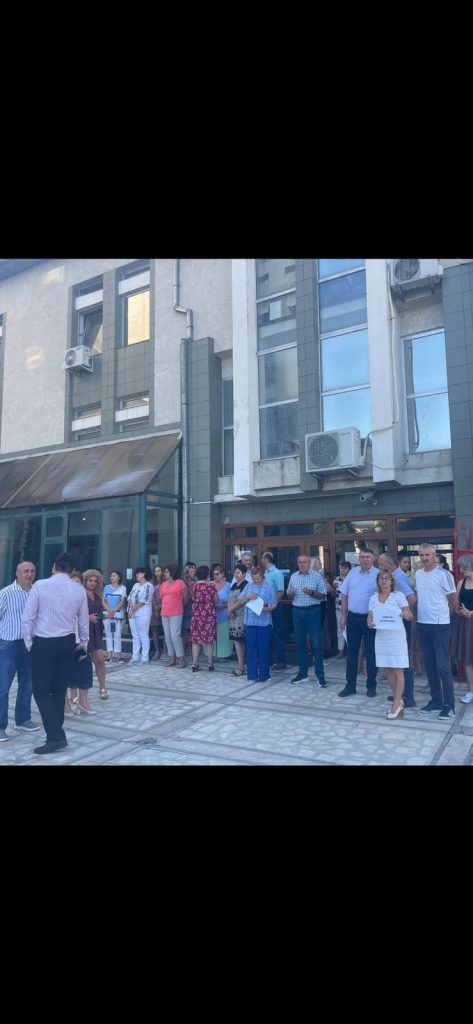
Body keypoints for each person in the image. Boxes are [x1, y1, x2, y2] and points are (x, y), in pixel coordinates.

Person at [22, 552, 89, 755]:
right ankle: (55, 735)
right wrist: (83, 643)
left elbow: (28, 617)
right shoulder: (78, 589)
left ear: (54, 566)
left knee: (41, 691)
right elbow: (83, 620)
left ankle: (56, 737)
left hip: (44, 643)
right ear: (72, 570)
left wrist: (28, 643)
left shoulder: (40, 585)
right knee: (59, 691)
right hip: (67, 642)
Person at [416, 543, 458, 720]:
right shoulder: (418, 574)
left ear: (434, 555)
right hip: (423, 624)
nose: (425, 558)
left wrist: (443, 616)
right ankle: (436, 701)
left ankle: (449, 705)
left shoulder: (444, 575)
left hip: (440, 626)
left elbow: (453, 599)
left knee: (442, 666)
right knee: (430, 665)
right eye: (422, 555)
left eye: (428, 555)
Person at [0, 561, 39, 742]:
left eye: (32, 571)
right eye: (25, 571)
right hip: (8, 645)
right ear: (17, 573)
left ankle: (23, 719)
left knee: (27, 684)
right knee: (3, 687)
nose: (29, 574)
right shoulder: (6, 593)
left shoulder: (36, 592)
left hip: (30, 645)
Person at [368, 569, 413, 720]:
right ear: (377, 582)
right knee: (387, 669)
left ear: (392, 581)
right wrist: (370, 623)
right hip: (382, 638)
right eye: (381, 578)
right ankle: (398, 701)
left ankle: (396, 703)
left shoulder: (399, 596)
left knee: (398, 670)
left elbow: (409, 615)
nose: (384, 581)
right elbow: (370, 617)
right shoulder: (373, 598)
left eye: (387, 578)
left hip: (396, 638)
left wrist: (406, 614)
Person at [377, 552, 417, 707]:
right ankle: (399, 694)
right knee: (394, 660)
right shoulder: (393, 576)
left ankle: (408, 696)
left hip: (401, 625)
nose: (379, 567)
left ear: (390, 564)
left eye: (381, 564)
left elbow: (412, 598)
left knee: (402, 660)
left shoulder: (398, 577)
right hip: (392, 626)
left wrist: (400, 613)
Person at [337, 549, 378, 698]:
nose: (365, 559)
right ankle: (350, 686)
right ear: (359, 559)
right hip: (353, 617)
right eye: (362, 557)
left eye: (368, 557)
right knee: (352, 653)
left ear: (373, 559)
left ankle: (371, 686)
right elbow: (344, 595)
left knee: (371, 653)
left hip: (370, 619)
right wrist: (343, 616)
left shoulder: (378, 574)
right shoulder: (352, 573)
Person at [286, 554, 327, 686]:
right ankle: (302, 674)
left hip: (313, 611)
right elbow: (289, 595)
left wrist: (311, 593)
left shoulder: (316, 576)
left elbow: (323, 595)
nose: (302, 564)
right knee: (300, 644)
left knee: (316, 644)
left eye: (304, 562)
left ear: (309, 563)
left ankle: (320, 676)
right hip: (297, 612)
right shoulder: (294, 576)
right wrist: (290, 594)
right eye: (300, 562)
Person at [233, 566, 276, 683]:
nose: (256, 581)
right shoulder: (249, 586)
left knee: (264, 649)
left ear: (262, 576)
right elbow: (240, 600)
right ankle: (252, 675)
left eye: (258, 578)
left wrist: (267, 608)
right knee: (251, 649)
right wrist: (247, 596)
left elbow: (274, 604)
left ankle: (264, 675)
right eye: (254, 578)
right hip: (250, 622)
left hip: (264, 622)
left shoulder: (269, 586)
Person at [450, 554, 473, 703]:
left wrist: (472, 612)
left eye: (463, 567)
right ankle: (471, 691)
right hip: (464, 624)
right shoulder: (460, 582)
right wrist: (460, 610)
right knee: (468, 658)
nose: (461, 570)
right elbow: (455, 604)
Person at [261, 551, 287, 670]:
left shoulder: (277, 573)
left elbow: (280, 591)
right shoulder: (265, 572)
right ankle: (269, 660)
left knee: (277, 634)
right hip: (265, 608)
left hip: (274, 608)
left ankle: (281, 661)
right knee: (268, 634)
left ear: (266, 559)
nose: (261, 561)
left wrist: (273, 604)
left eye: (262, 558)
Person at [160, 564, 189, 667]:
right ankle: (172, 658)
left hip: (176, 612)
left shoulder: (180, 583)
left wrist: (179, 606)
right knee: (167, 636)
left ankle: (181, 658)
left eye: (166, 572)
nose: (164, 573)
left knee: (175, 635)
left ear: (172, 572)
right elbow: (162, 597)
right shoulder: (163, 584)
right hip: (164, 612)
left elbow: (186, 598)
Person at [190, 565, 217, 671]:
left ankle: (194, 663)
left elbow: (193, 598)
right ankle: (210, 663)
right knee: (209, 639)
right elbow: (216, 599)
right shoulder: (210, 586)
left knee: (195, 640)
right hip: (208, 615)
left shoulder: (194, 586)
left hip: (196, 615)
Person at [126, 568, 154, 666]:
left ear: (144, 574)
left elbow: (144, 600)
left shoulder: (149, 586)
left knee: (143, 634)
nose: (136, 575)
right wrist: (131, 608)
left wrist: (133, 609)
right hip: (132, 613)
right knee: (135, 635)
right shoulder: (136, 585)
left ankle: (145, 657)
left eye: (138, 573)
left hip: (143, 613)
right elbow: (129, 597)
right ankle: (135, 657)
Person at [103, 570, 127, 664]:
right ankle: (109, 656)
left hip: (118, 614)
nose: (112, 577)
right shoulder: (106, 587)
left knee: (117, 635)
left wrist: (114, 610)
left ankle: (118, 656)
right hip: (107, 613)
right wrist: (109, 610)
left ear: (118, 577)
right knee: (108, 635)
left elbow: (122, 601)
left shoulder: (123, 588)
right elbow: (103, 600)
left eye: (114, 575)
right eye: (111, 576)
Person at [227, 562, 247, 675]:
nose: (236, 575)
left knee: (239, 640)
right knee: (236, 641)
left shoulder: (246, 585)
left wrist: (231, 609)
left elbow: (242, 601)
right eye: (235, 572)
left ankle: (241, 666)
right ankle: (240, 664)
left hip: (241, 615)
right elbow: (229, 599)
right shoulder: (234, 585)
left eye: (238, 572)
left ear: (244, 573)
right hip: (232, 616)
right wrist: (229, 610)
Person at [333, 561, 351, 657]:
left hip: (350, 608)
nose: (343, 570)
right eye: (341, 568)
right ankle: (340, 650)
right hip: (339, 607)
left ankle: (351, 650)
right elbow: (333, 594)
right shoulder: (336, 579)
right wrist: (334, 588)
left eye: (345, 568)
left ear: (349, 569)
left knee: (350, 630)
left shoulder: (351, 579)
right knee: (340, 629)